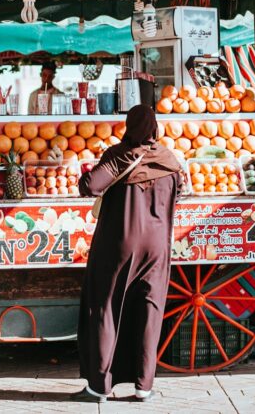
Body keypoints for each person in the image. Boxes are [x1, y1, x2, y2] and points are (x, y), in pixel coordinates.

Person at [72, 104, 183, 403]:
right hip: (158, 245)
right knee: (150, 309)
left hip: (120, 243)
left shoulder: (120, 154)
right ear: (155, 128)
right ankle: (143, 386)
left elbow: (90, 186)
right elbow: (179, 191)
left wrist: (84, 170)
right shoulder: (170, 159)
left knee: (107, 306)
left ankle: (99, 386)